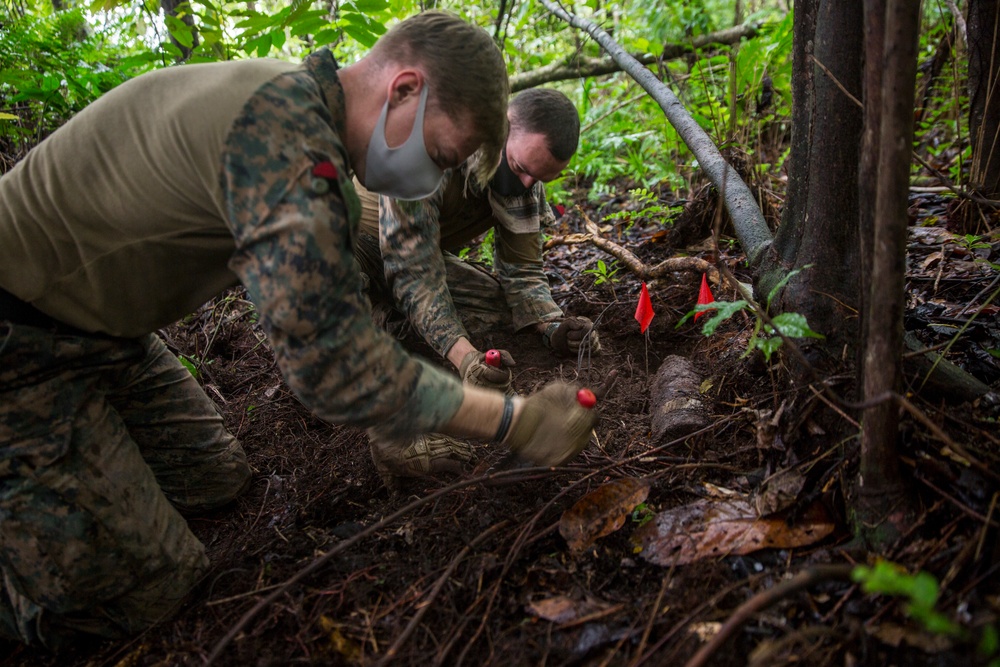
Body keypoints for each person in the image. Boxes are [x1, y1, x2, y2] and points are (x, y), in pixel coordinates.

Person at [0, 11, 596, 649]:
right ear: (404, 90)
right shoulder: (282, 141)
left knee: (218, 481)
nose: (428, 179)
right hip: (22, 339)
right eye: (439, 155)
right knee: (151, 594)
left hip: (107, 335)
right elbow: (332, 366)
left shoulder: (303, 112)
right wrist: (513, 421)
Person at [352, 88, 600, 482]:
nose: (526, 183)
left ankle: (394, 321)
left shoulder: (525, 179)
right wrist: (466, 358)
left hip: (422, 260)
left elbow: (522, 273)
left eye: (539, 178)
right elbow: (413, 272)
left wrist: (553, 326)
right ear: (499, 130)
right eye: (520, 168)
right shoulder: (429, 148)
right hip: (350, 251)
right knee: (347, 327)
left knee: (501, 312)